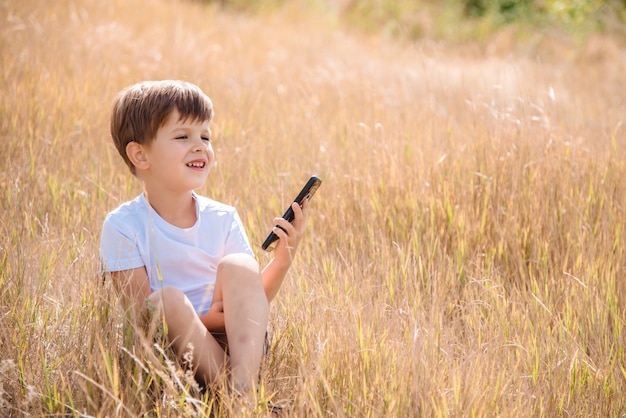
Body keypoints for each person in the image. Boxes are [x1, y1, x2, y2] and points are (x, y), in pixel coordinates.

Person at [99, 80, 310, 404]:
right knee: (165, 302)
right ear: (140, 154)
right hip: (175, 351)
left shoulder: (222, 217)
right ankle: (243, 400)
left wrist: (282, 259)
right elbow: (142, 323)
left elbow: (251, 305)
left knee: (240, 266)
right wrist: (208, 319)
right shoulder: (123, 225)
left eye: (205, 136)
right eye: (183, 136)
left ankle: (240, 395)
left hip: (240, 347)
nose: (200, 146)